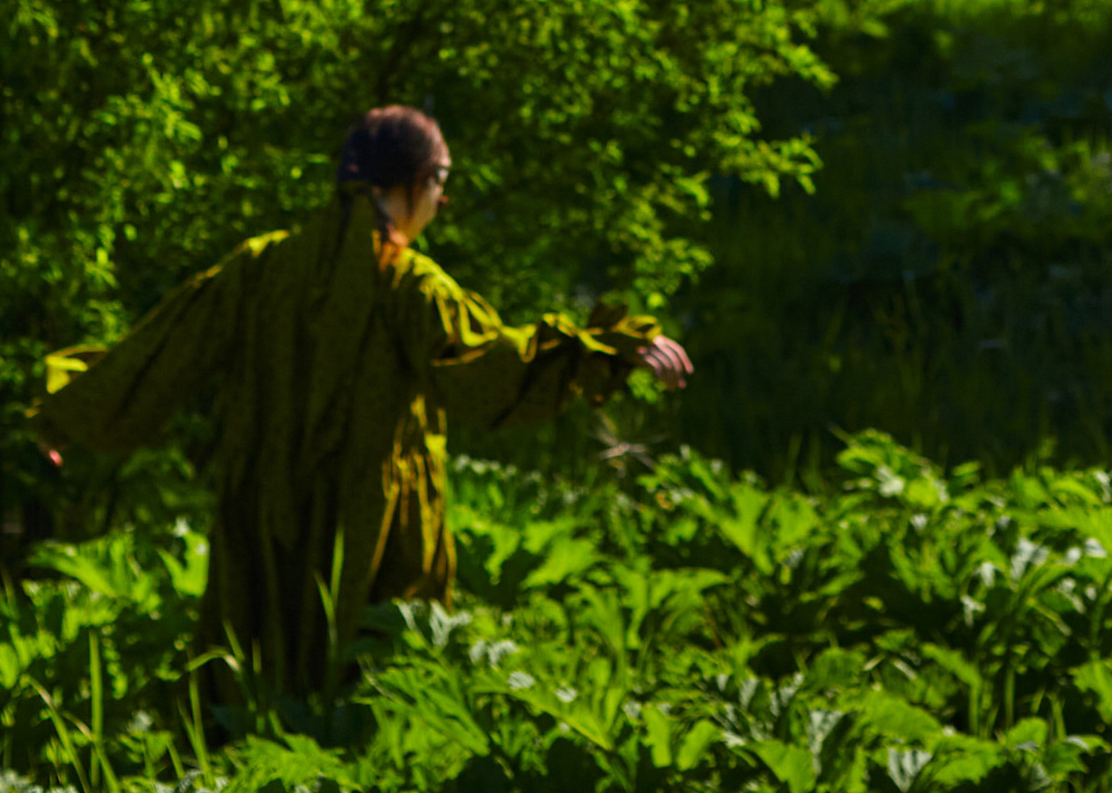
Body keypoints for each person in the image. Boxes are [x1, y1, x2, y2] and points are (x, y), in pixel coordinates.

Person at [38, 106, 691, 692]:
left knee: (249, 688)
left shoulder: (262, 265)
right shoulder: (411, 284)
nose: (442, 199)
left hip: (263, 514)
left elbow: (160, 352)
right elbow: (493, 369)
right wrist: (602, 348)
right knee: (366, 691)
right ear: (406, 182)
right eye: (439, 181)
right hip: (372, 525)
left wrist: (68, 411)